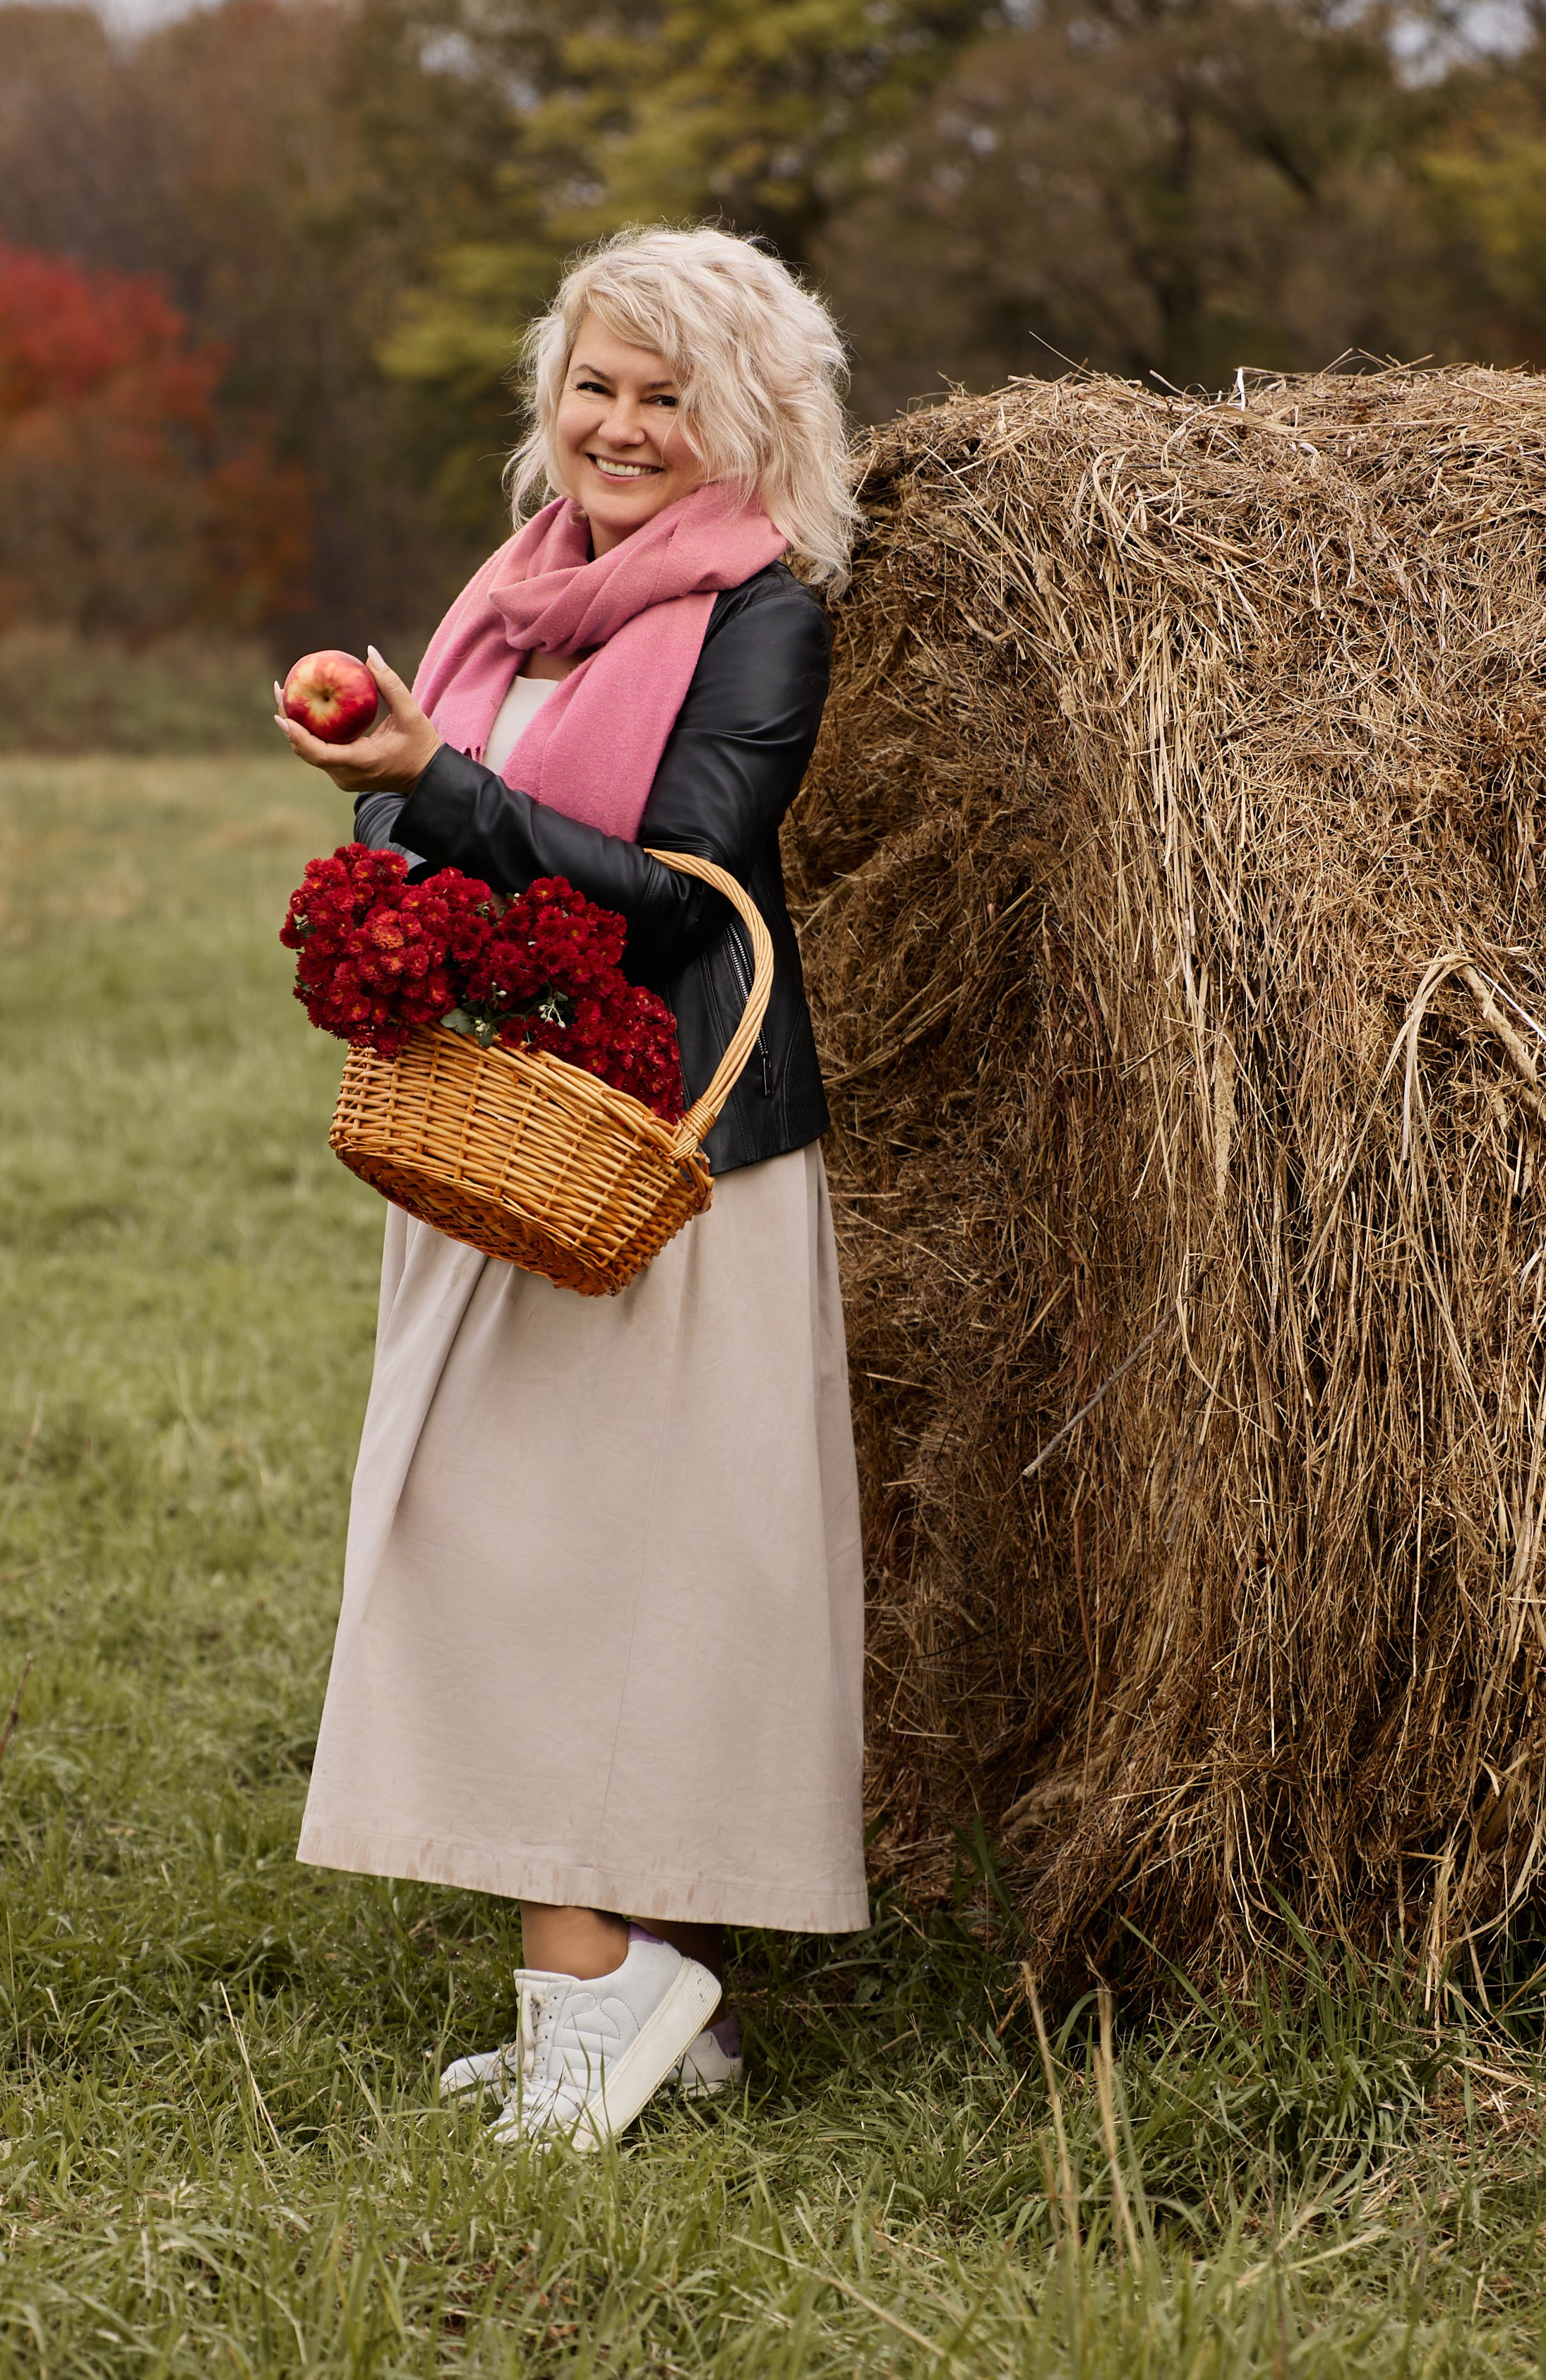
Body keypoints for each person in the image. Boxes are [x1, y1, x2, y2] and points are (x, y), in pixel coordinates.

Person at [276, 225, 868, 2151]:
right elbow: (459, 816)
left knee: (597, 1568)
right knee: (555, 1546)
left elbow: (675, 893)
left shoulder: (764, 607)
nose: (620, 422)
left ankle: (596, 1984)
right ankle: (641, 2010)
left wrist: (439, 778)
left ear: (744, 418)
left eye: (666, 392)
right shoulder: (526, 595)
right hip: (502, 1130)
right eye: (597, 382)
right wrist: (394, 796)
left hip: (660, 1151)